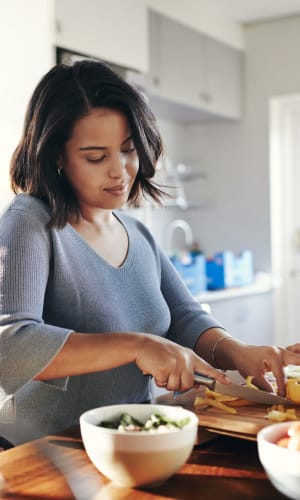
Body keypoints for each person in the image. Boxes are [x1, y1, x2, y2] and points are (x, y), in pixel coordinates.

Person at [0, 60, 300, 446]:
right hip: (43, 450)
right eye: (96, 157)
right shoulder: (29, 221)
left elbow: (185, 318)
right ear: (57, 156)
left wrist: (237, 351)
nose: (120, 171)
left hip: (129, 441)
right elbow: (10, 345)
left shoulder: (137, 232)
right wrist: (138, 346)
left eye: (128, 150)